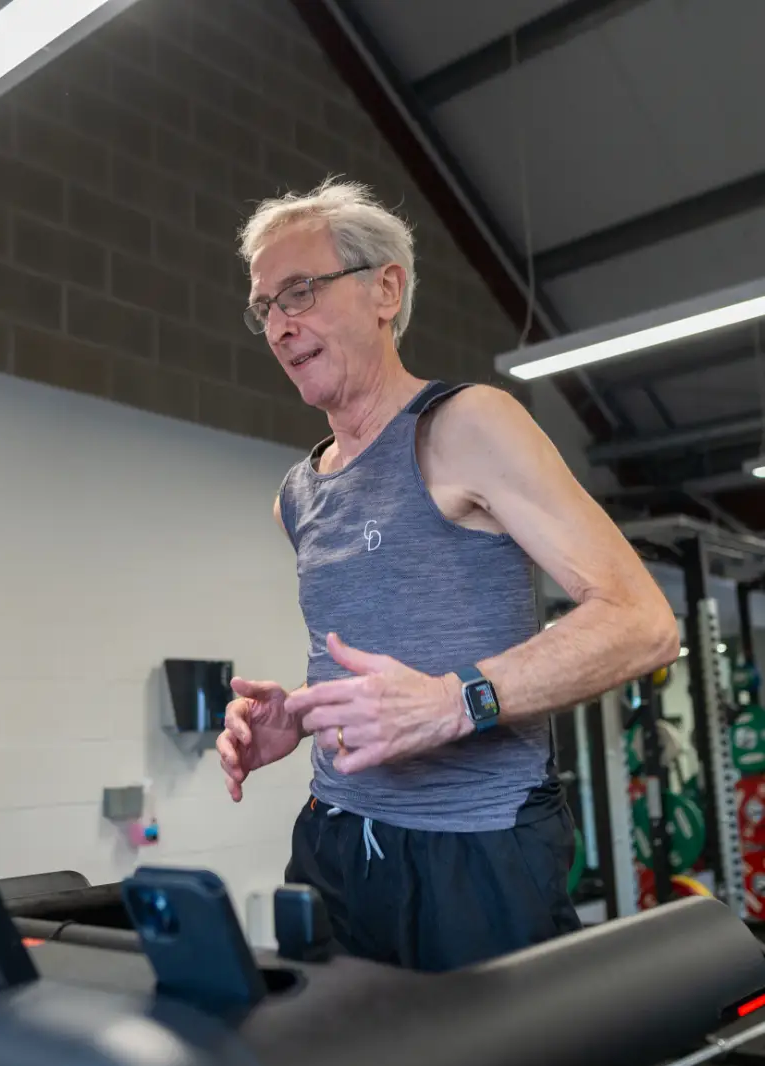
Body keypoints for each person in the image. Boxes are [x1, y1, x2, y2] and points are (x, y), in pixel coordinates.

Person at [216, 178, 680, 973]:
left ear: (385, 289)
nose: (281, 325)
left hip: (477, 850)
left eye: (301, 291)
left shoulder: (463, 425)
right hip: (335, 839)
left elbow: (644, 622)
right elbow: (381, 647)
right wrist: (301, 717)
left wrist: (450, 701)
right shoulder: (298, 496)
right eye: (266, 308)